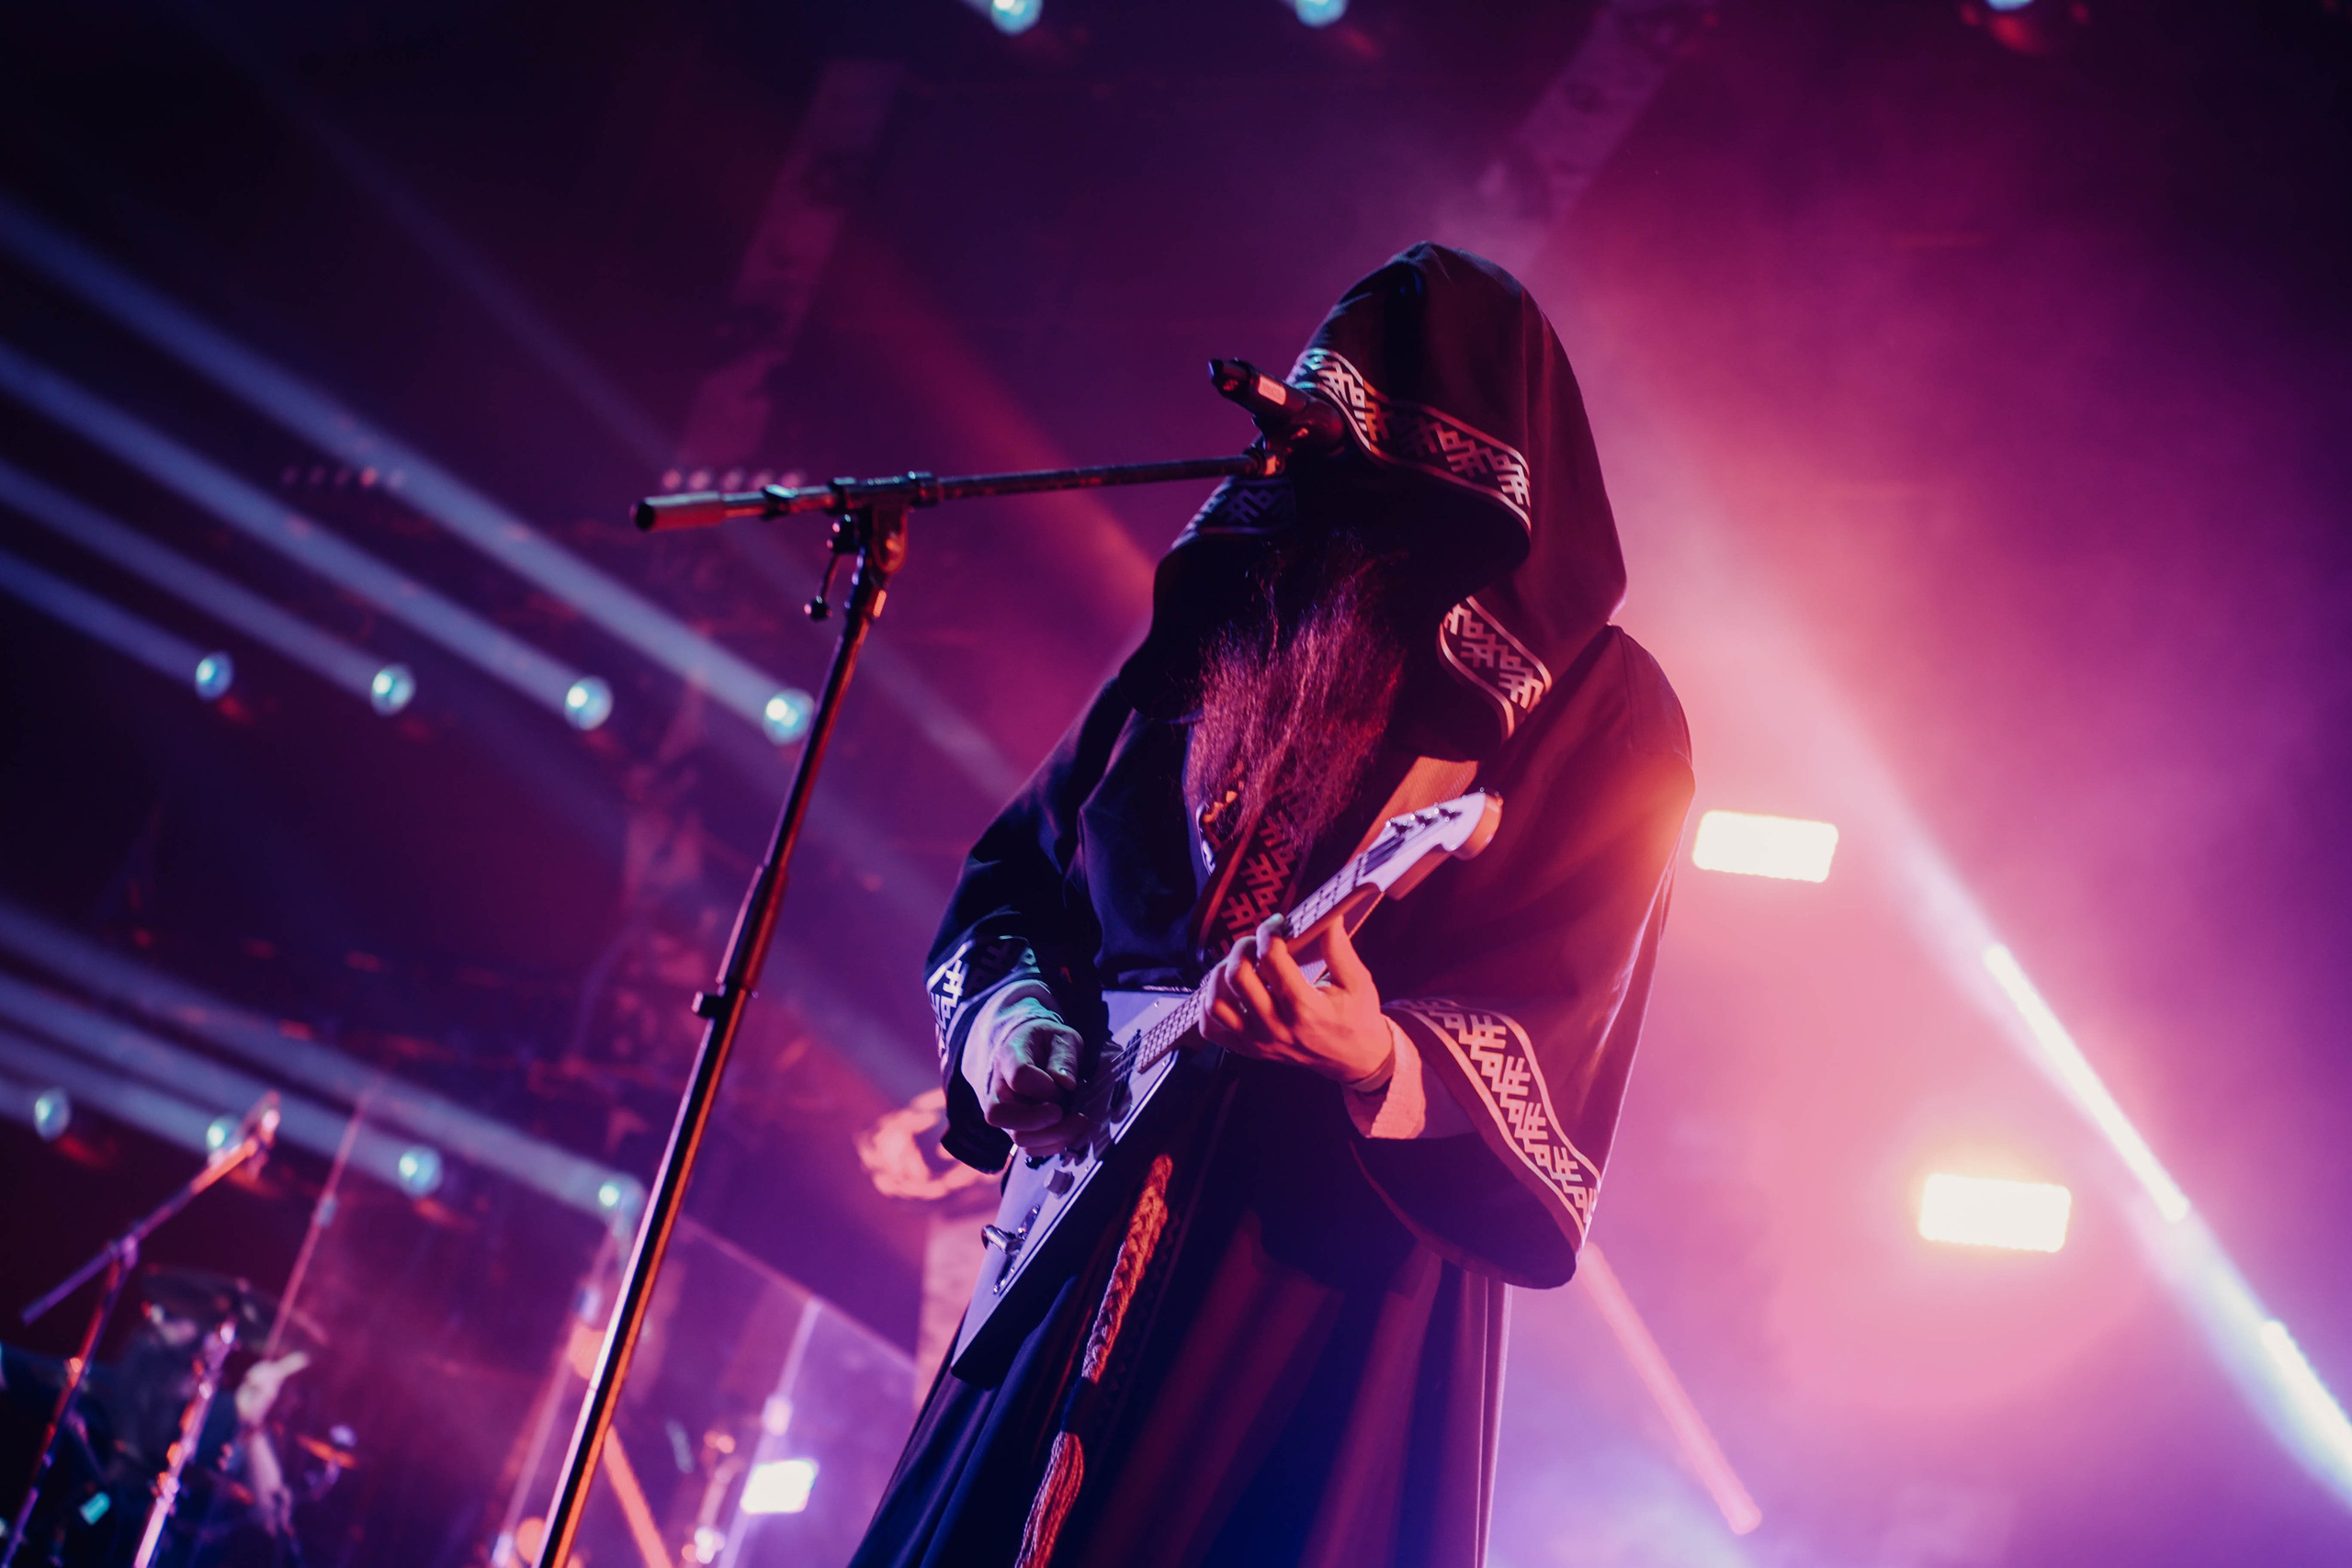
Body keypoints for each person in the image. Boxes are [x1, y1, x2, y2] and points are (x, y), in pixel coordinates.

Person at [852, 244, 1694, 1568]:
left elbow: (1570, 1004)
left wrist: (1378, 1051)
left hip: (1314, 1273)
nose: (1335, 495)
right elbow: (1012, 879)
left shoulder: (1601, 708)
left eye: (1384, 471)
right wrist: (1013, 1022)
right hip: (1074, 1217)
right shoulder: (1217, 626)